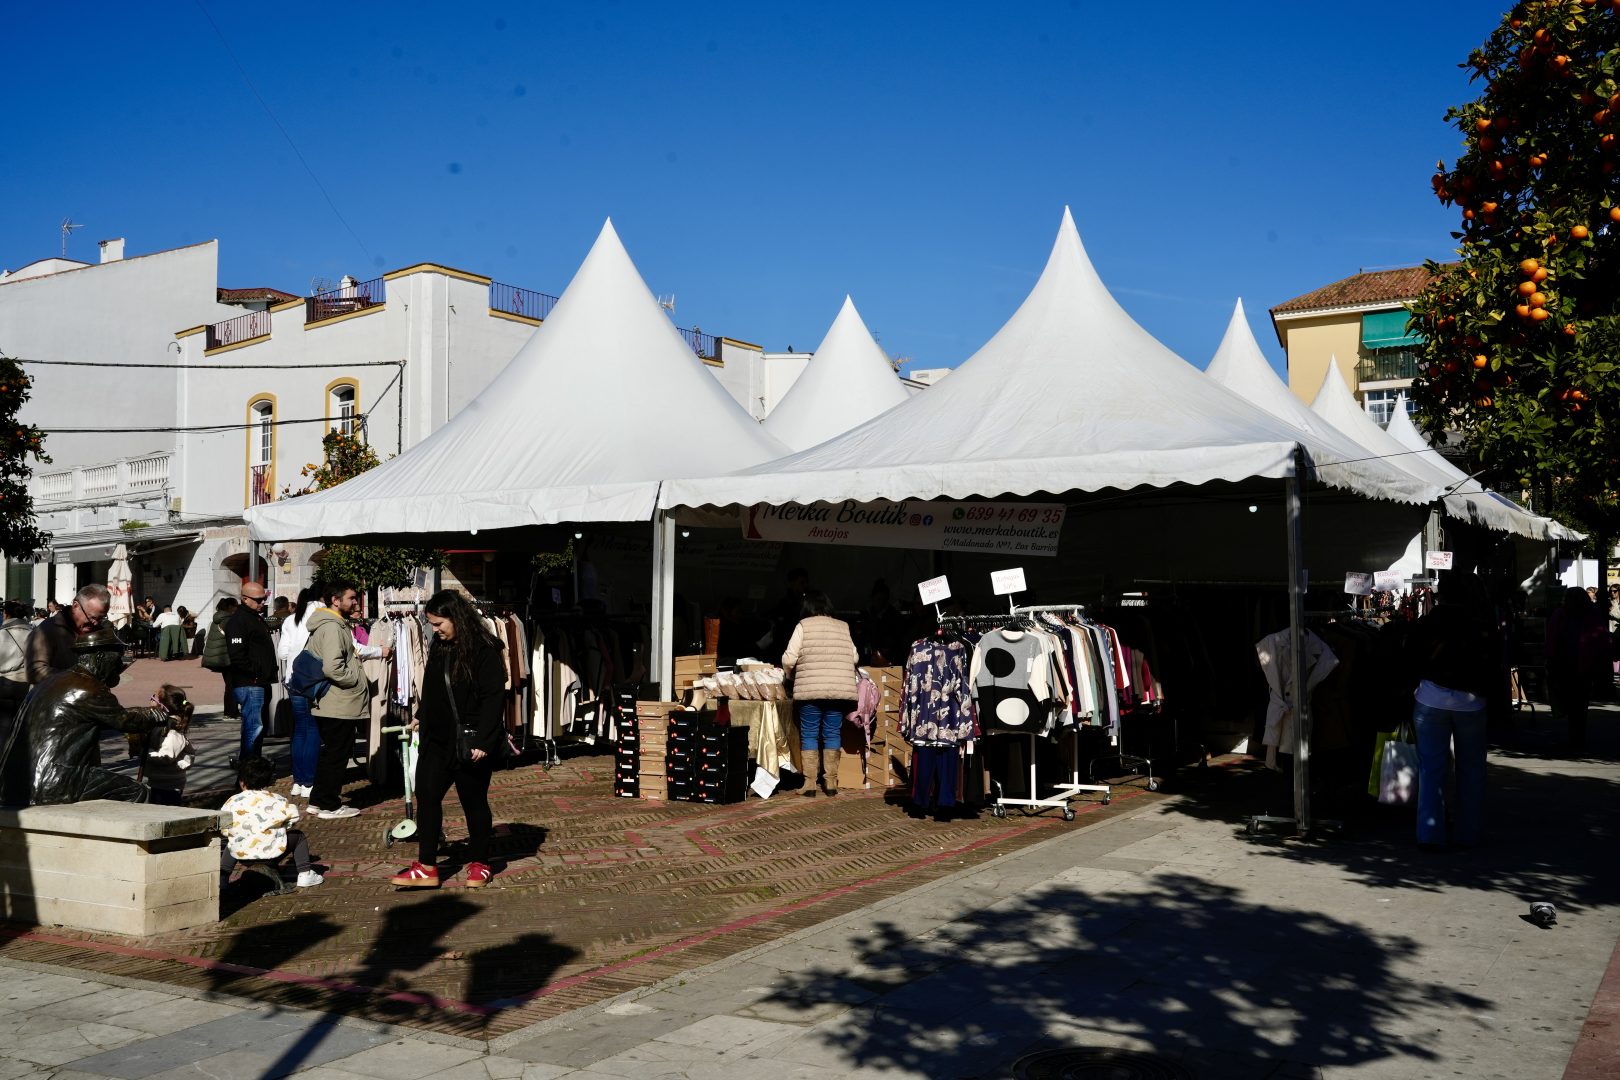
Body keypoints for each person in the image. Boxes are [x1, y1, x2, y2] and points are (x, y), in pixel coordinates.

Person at [390, 589, 506, 889]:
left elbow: (494, 698)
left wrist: (484, 741)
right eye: (432, 624)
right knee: (427, 797)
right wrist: (421, 714)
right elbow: (433, 688)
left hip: (469, 741)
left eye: (439, 623)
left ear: (457, 618)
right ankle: (427, 865)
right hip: (436, 740)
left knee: (473, 802)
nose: (436, 630)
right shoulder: (440, 646)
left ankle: (480, 862)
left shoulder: (484, 649)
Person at [0, 626, 170, 805]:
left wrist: (144, 712)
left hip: (13, 783)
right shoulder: (90, 688)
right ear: (101, 657)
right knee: (137, 791)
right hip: (53, 782)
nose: (121, 666)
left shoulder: (53, 681)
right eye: (118, 659)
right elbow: (125, 720)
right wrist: (155, 715)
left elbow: (109, 714)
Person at [1403, 573, 1501, 849]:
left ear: (1440, 594)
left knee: (1431, 769)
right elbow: (1494, 665)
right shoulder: (1481, 624)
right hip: (1471, 702)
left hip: (1430, 699)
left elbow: (1410, 660)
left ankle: (1429, 834)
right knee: (1472, 769)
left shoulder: (1425, 624)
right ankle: (1468, 833)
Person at [781, 590, 859, 798]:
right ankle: (831, 782)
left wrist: (789, 675)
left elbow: (789, 659)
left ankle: (810, 784)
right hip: (837, 690)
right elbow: (854, 657)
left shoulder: (803, 626)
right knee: (832, 733)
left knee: (809, 734)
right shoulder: (843, 627)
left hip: (810, 690)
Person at [305, 579, 369, 820]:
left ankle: (318, 800)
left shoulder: (332, 624)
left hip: (334, 701)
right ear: (335, 600)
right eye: (351, 598)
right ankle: (329, 805)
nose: (355, 602)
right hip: (338, 701)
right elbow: (333, 667)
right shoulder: (332, 627)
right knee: (337, 754)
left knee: (331, 753)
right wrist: (355, 681)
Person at [220, 757, 323, 889]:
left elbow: (224, 828)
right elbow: (294, 817)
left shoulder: (231, 801)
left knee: (232, 839)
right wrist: (282, 828)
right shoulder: (278, 799)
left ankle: (223, 878)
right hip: (272, 853)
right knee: (298, 836)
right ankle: (305, 874)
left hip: (242, 855)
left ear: (241, 782)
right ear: (268, 781)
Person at [1546, 586, 1609, 754]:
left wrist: (1551, 658)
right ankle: (1577, 736)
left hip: (1568, 664)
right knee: (1580, 703)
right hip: (1580, 664)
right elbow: (1602, 639)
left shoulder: (1562, 614)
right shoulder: (1591, 614)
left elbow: (1552, 638)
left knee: (1572, 700)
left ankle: (1574, 735)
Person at [275, 585, 323, 799]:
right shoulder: (323, 614)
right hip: (314, 680)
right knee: (312, 729)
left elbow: (282, 653)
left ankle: (299, 780)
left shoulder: (290, 620)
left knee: (300, 729)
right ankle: (309, 781)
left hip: (293, 679)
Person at [224, 582, 278, 764]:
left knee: (257, 728)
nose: (262, 603)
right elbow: (237, 656)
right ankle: (248, 768)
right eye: (258, 600)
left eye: (264, 599)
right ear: (245, 599)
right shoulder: (238, 621)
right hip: (250, 683)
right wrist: (256, 673)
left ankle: (253, 763)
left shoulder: (255, 618)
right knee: (253, 727)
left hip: (260, 682)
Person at [26, 584, 109, 684]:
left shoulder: (99, 630)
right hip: (57, 693)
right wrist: (76, 677)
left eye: (101, 618)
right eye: (92, 617)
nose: (95, 623)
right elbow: (34, 672)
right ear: (75, 606)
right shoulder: (47, 630)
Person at [0, 600, 34, 799]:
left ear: (6, 614)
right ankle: (19, 774)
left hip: (3, 684)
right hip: (25, 685)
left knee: (3, 730)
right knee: (21, 730)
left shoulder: (2, 634)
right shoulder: (33, 633)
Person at [139, 686, 196, 806]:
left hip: (168, 785)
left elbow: (166, 757)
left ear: (162, 706)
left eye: (153, 698)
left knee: (165, 811)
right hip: (159, 781)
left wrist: (145, 753)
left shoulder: (172, 732)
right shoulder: (162, 727)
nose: (151, 700)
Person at [202, 600, 239, 719]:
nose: (237, 608)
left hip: (220, 657)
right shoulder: (228, 620)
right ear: (230, 607)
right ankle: (231, 712)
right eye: (235, 606)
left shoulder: (217, 619)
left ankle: (230, 711)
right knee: (232, 685)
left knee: (229, 685)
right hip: (227, 657)